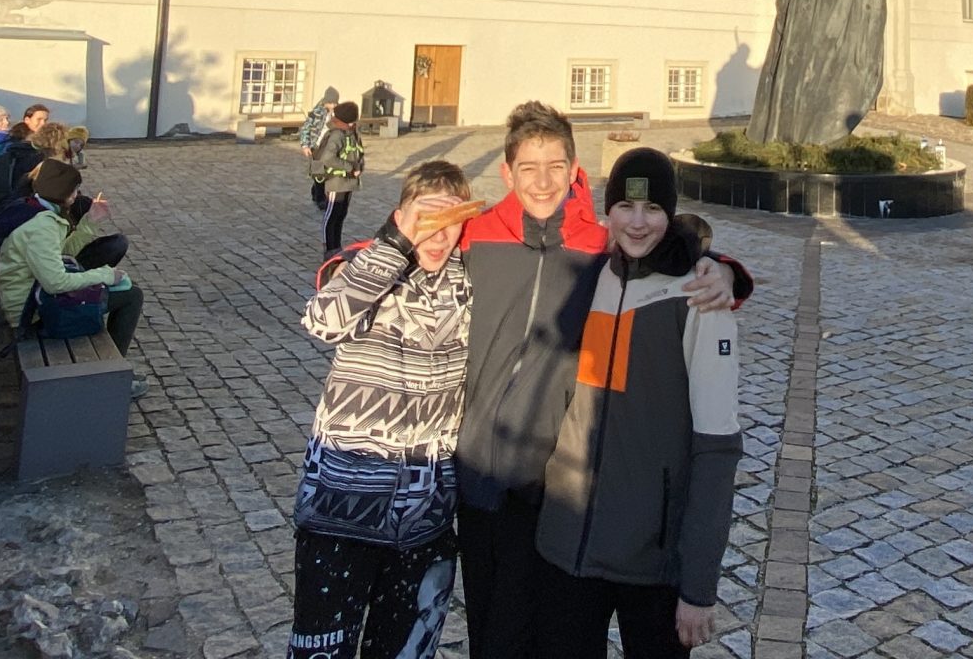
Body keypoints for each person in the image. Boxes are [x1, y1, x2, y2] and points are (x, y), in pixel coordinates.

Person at [455, 102, 752, 659]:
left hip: (603, 524)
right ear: (507, 172)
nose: (637, 221)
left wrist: (724, 271)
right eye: (528, 167)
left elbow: (716, 448)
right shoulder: (497, 242)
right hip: (522, 509)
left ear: (575, 173)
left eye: (556, 166)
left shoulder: (622, 261)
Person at [537, 148, 740, 659]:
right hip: (569, 546)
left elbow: (717, 449)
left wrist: (698, 586)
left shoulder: (700, 297)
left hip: (653, 561)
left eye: (652, 209)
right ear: (609, 210)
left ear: (670, 213)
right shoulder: (590, 278)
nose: (637, 222)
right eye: (625, 206)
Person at [287, 161, 484, 659]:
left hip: (425, 523)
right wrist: (393, 247)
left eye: (449, 220)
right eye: (424, 218)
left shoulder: (471, 282)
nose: (437, 235)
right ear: (400, 218)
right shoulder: (366, 265)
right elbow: (323, 320)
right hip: (340, 516)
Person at [0, 159, 143, 359]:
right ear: (62, 192)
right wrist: (105, 275)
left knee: (120, 290)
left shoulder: (41, 214)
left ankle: (112, 362)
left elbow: (63, 253)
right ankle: (113, 365)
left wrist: (90, 221)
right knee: (132, 296)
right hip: (31, 311)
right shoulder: (43, 227)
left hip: (32, 296)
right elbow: (56, 283)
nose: (76, 196)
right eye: (74, 190)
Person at [310, 100, 366, 259]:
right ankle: (329, 248)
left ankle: (337, 246)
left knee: (341, 214)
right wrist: (350, 168)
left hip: (349, 182)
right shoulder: (337, 135)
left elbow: (358, 153)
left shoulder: (352, 133)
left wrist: (360, 166)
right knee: (331, 215)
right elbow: (328, 158)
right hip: (336, 181)